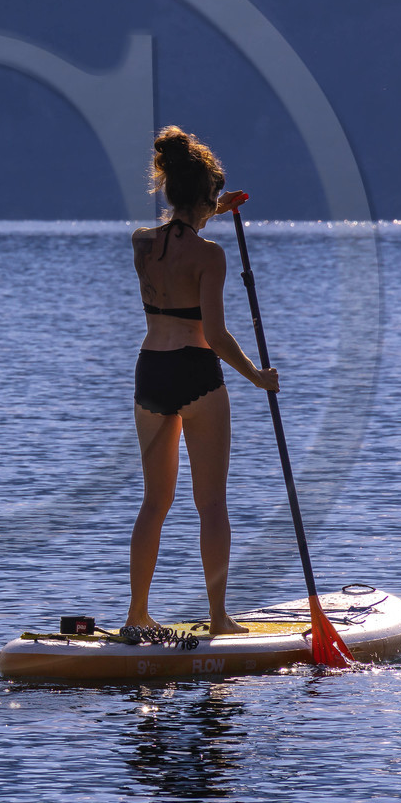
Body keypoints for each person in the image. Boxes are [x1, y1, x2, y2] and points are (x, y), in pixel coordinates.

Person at [126, 126, 280, 636]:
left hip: (151, 371)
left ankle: (137, 615)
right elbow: (214, 334)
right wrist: (256, 376)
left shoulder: (141, 244)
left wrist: (212, 205)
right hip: (195, 373)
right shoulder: (211, 256)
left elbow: (178, 230)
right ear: (206, 196)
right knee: (211, 504)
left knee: (155, 503)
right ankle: (218, 618)